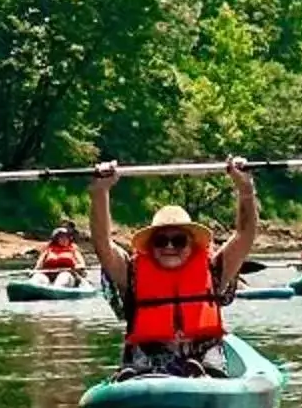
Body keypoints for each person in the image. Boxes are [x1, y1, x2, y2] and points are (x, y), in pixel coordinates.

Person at [90, 157, 259, 374]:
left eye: (178, 240)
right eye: (161, 241)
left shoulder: (215, 269)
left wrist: (245, 188)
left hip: (203, 356)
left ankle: (202, 378)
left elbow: (244, 235)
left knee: (209, 365)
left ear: (191, 245)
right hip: (149, 358)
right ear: (151, 246)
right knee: (138, 368)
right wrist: (100, 192)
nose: (169, 246)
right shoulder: (130, 272)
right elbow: (102, 244)